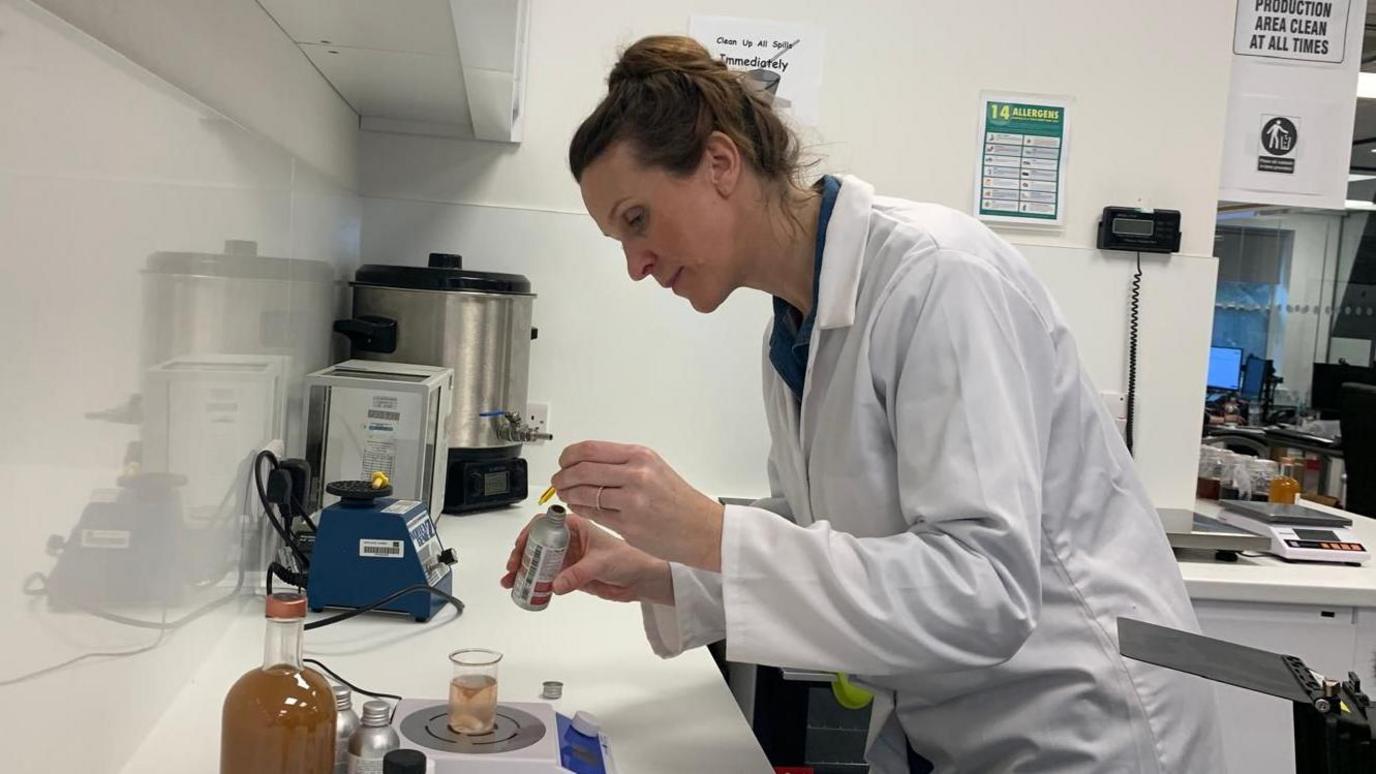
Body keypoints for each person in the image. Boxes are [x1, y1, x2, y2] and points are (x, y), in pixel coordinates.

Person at [500, 35, 1224, 773]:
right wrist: (660, 568)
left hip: (1081, 729)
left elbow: (986, 589)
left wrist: (712, 531)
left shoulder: (937, 279)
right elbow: (828, 533)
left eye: (637, 220)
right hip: (951, 727)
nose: (635, 265)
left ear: (720, 164)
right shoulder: (792, 330)